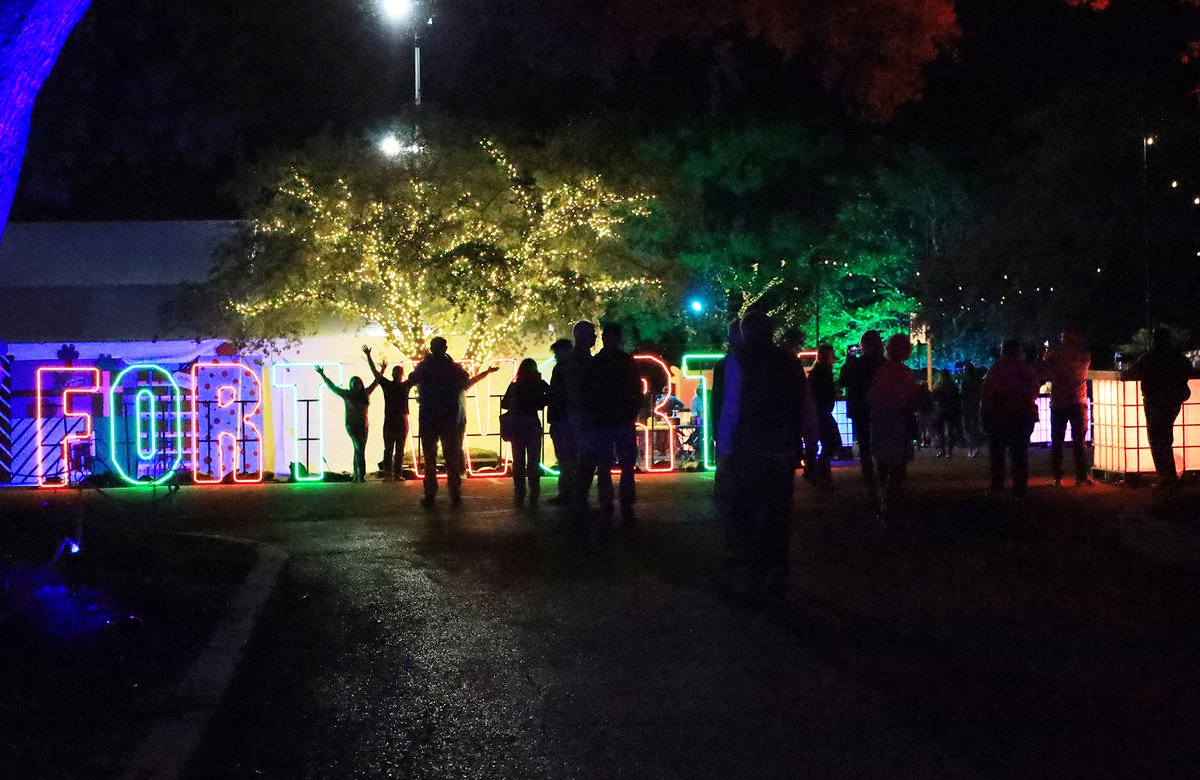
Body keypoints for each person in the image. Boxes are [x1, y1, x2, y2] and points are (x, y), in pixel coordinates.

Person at [717, 309, 812, 602]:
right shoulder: (788, 362)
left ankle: (751, 570)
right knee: (778, 511)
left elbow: (731, 407)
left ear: (744, 333)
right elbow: (804, 404)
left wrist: (724, 448)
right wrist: (809, 441)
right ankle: (776, 568)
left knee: (744, 509)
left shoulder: (736, 362)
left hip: (747, 449)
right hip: (781, 448)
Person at [408, 337, 497, 506]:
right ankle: (454, 492)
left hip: (430, 416)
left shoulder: (427, 366)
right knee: (451, 456)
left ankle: (431, 493)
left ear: (432, 348)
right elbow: (464, 378)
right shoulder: (451, 366)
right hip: (448, 415)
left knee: (430, 457)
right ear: (445, 348)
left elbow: (413, 378)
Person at [577, 323, 642, 523]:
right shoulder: (626, 362)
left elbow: (587, 393)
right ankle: (625, 504)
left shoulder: (597, 363)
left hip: (605, 421)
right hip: (619, 420)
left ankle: (609, 503)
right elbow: (636, 391)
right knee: (624, 465)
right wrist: (631, 412)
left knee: (606, 465)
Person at [1124, 327, 1193, 488]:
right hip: (1173, 400)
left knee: (1157, 438)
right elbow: (1188, 369)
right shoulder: (1178, 358)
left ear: (1154, 341)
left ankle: (1166, 477)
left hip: (1154, 400)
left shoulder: (1149, 358)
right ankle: (1169, 476)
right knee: (1165, 436)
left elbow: (1132, 372)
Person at [867, 334, 920, 520]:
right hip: (895, 420)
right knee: (896, 464)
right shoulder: (901, 373)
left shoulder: (884, 371)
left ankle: (886, 499)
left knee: (885, 462)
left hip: (885, 421)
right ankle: (889, 500)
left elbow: (874, 398)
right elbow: (908, 398)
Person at [981, 338, 1040, 497]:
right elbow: (1034, 391)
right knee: (1019, 454)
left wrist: (985, 415)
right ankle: (1020, 487)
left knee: (998, 453)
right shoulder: (1026, 369)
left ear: (1003, 350)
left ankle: (997, 486)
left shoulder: (997, 369)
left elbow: (987, 394)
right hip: (1022, 416)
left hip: (1000, 416)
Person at [1040, 328, 1092, 486]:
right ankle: (1081, 476)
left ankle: (1057, 477)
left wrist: (1047, 357)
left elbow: (1045, 370)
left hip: (1059, 403)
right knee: (1079, 441)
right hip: (1078, 402)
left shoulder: (1055, 357)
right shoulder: (1083, 355)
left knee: (1057, 441)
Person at [839, 330, 886, 496]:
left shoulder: (857, 364)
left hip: (861, 410)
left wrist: (849, 361)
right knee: (881, 445)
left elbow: (842, 381)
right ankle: (884, 479)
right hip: (881, 410)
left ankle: (870, 482)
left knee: (865, 447)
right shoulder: (883, 364)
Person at [315, 365, 379, 483]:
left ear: (361, 384)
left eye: (358, 383)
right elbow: (332, 387)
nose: (355, 385)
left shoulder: (365, 394)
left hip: (364, 425)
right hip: (352, 425)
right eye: (353, 383)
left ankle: (356, 474)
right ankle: (361, 475)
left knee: (359, 449)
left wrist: (382, 370)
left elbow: (376, 382)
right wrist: (323, 375)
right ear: (350, 385)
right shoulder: (347, 394)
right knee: (360, 447)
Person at [501, 358, 550, 507]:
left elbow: (504, 403)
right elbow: (547, 399)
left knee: (519, 461)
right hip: (532, 424)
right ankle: (534, 493)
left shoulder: (515, 386)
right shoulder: (538, 385)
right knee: (533, 461)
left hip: (517, 425)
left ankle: (519, 493)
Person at [363, 346, 414, 480]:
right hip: (391, 420)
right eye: (395, 373)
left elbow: (418, 375)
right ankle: (388, 474)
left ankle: (396, 474)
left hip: (402, 419)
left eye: (399, 373)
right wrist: (368, 356)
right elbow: (375, 373)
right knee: (388, 448)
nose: (397, 375)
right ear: (392, 374)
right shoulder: (388, 385)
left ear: (402, 375)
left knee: (399, 450)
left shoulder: (405, 385)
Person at [563, 321, 597, 506]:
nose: (595, 337)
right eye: (591, 333)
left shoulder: (576, 358)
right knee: (586, 458)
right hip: (583, 415)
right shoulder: (580, 359)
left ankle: (579, 499)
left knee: (585, 458)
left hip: (579, 414)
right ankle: (580, 500)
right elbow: (580, 389)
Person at [805, 344, 841, 488]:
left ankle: (818, 473)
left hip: (819, 412)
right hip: (822, 413)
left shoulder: (817, 372)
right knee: (832, 442)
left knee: (829, 443)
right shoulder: (823, 373)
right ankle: (820, 474)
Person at [545, 338, 574, 505]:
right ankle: (569, 492)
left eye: (556, 353)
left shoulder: (562, 369)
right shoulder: (573, 367)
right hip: (566, 418)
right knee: (567, 457)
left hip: (562, 418)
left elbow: (556, 393)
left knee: (564, 457)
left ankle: (566, 493)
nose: (555, 357)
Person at [931, 369, 963, 458]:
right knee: (950, 431)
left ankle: (943, 450)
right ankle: (949, 451)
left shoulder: (938, 386)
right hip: (951, 411)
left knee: (940, 431)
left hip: (941, 411)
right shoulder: (953, 386)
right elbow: (957, 399)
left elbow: (934, 398)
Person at [959, 362, 984, 457]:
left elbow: (962, 394)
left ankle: (973, 447)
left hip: (967, 406)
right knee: (975, 427)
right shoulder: (978, 381)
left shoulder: (965, 382)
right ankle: (975, 446)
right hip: (976, 406)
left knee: (968, 427)